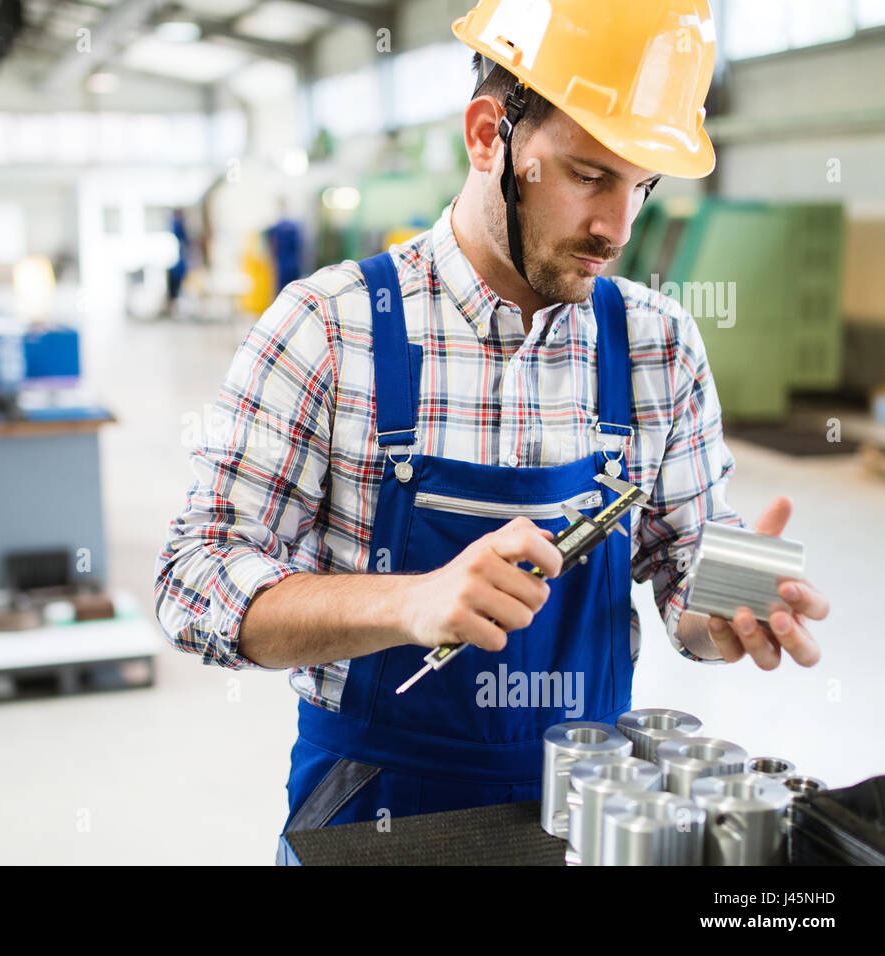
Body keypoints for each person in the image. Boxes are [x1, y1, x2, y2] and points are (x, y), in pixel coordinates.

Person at [154, 0, 830, 842]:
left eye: (640, 186)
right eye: (588, 175)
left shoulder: (658, 345)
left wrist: (733, 613)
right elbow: (194, 582)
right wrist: (409, 603)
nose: (617, 228)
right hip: (375, 815)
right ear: (488, 136)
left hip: (589, 810)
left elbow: (685, 583)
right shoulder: (327, 328)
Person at [264, 200, 303, 294]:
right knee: (289, 288)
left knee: (288, 288)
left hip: (288, 261)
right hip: (285, 261)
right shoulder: (289, 226)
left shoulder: (290, 226)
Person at [166, 208, 187, 315]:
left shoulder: (174, 226)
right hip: (175, 263)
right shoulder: (176, 226)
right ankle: (174, 308)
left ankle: (175, 307)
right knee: (175, 288)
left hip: (176, 263)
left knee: (177, 288)